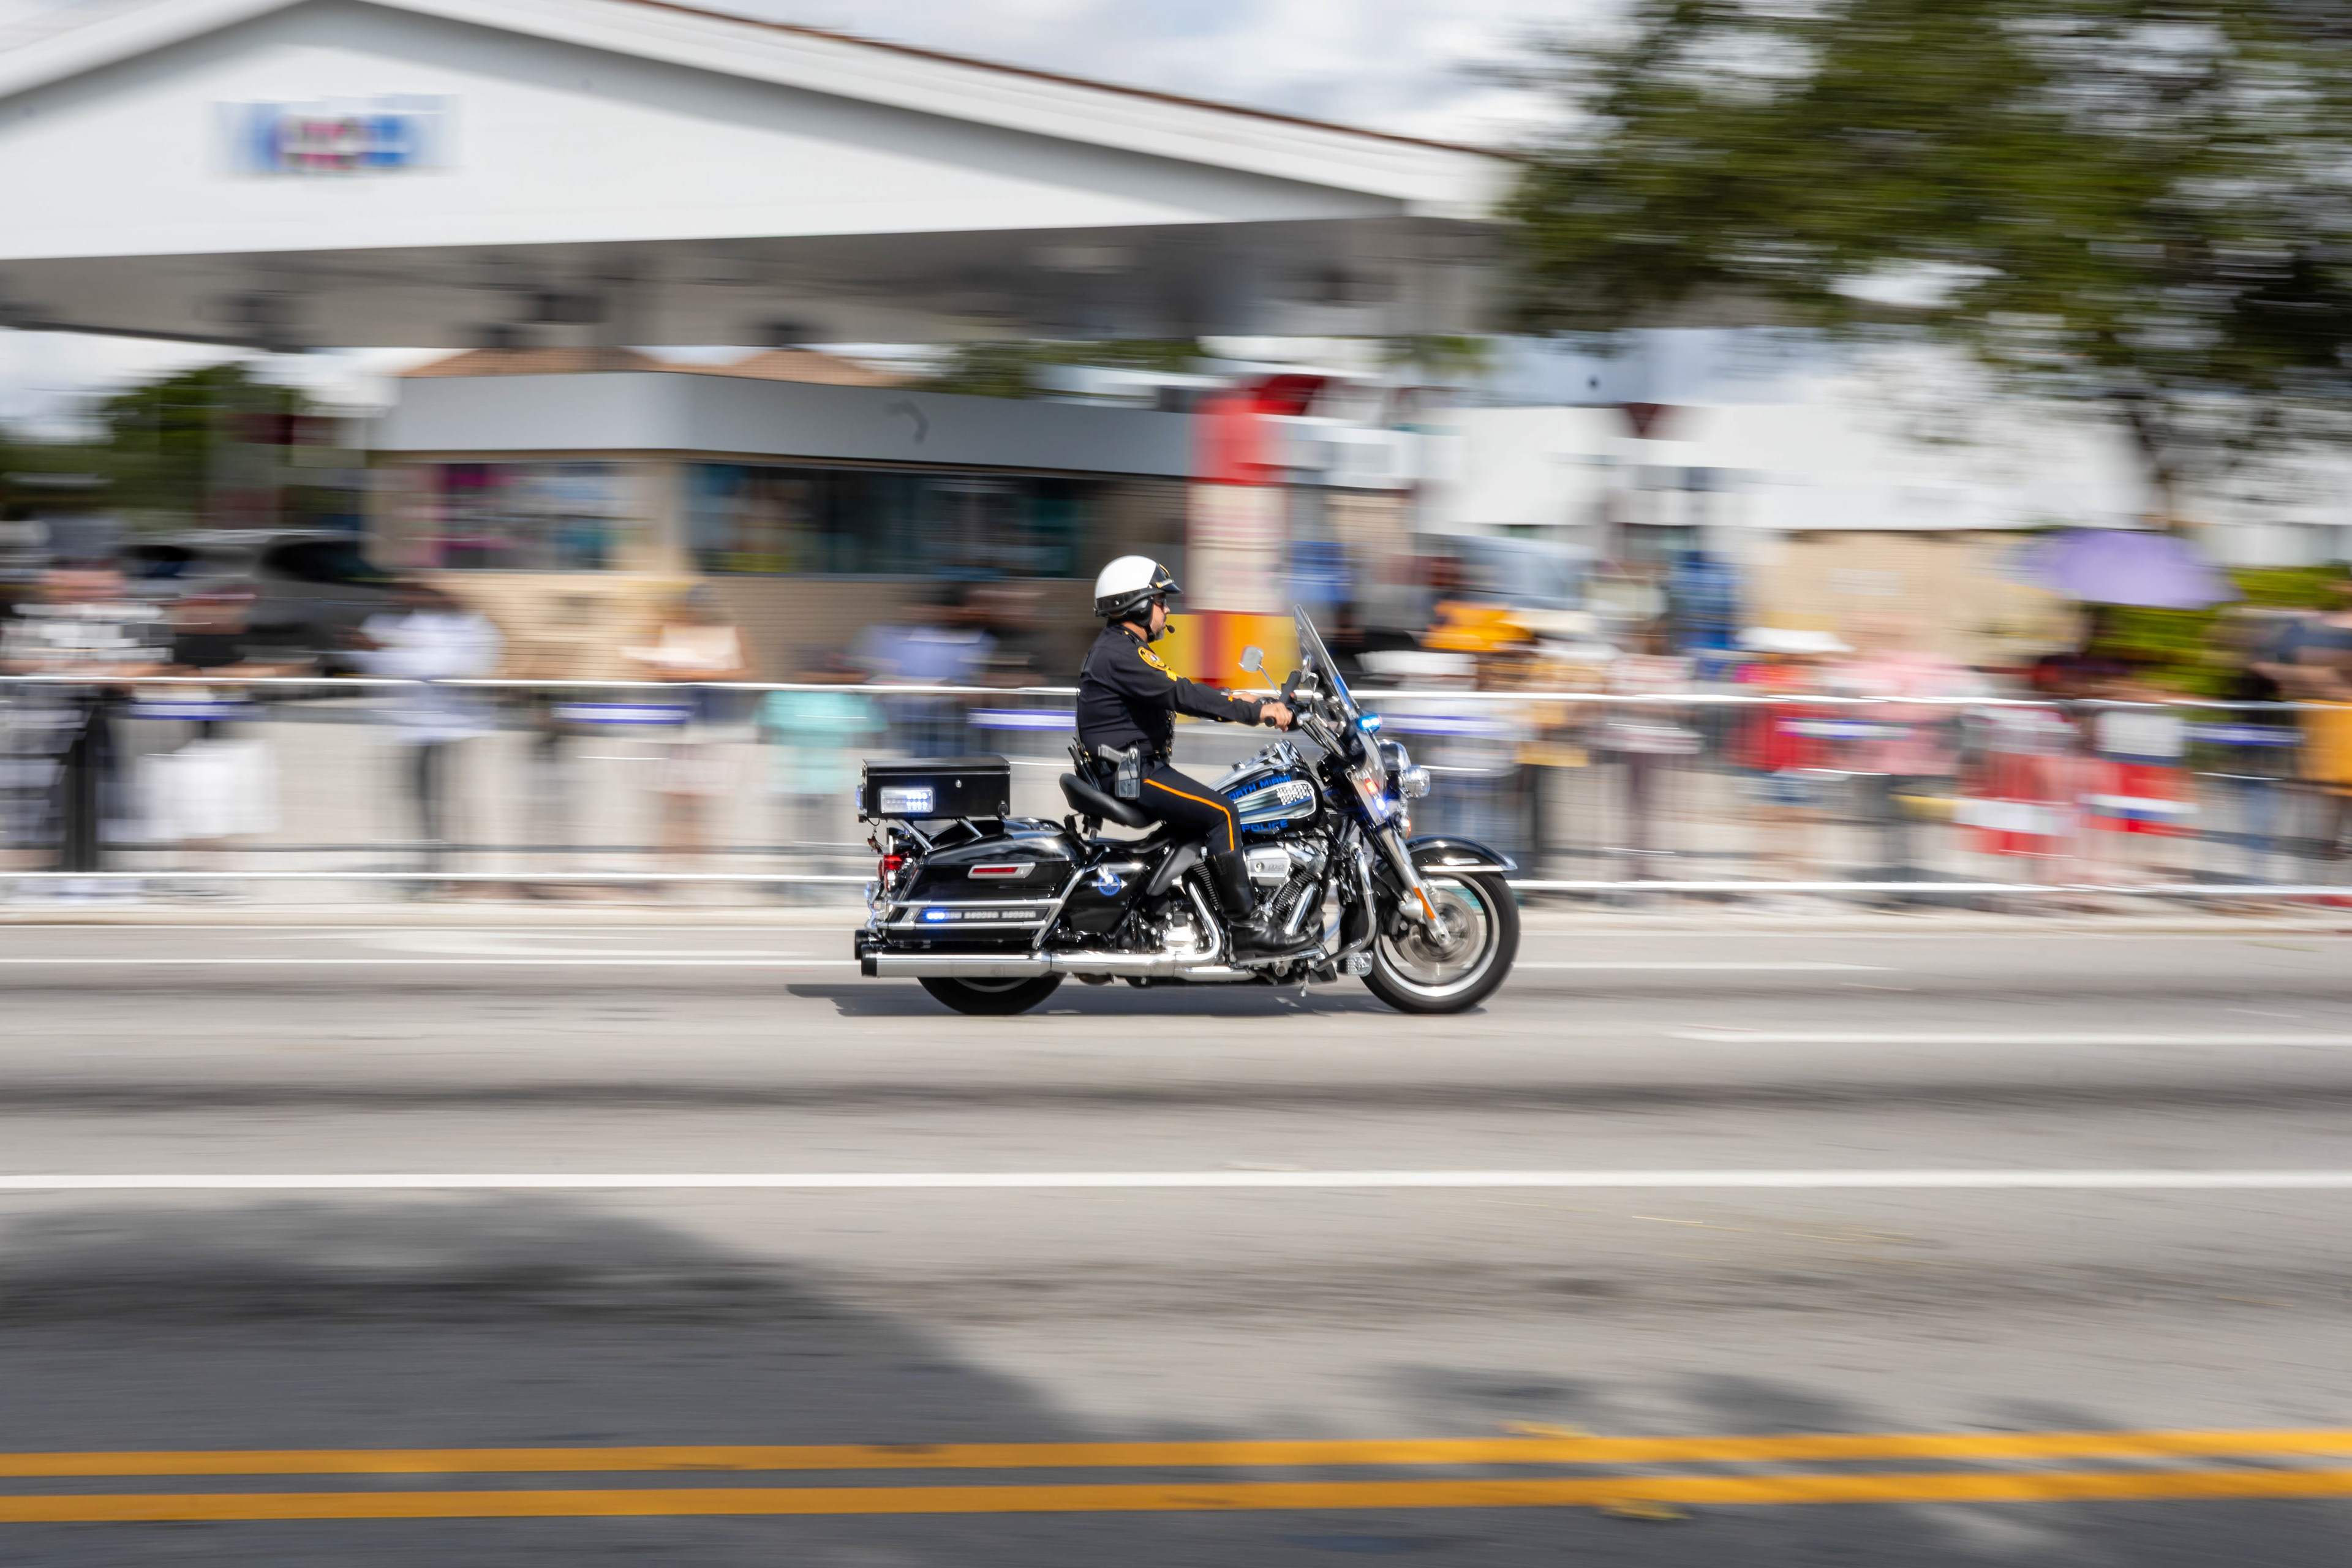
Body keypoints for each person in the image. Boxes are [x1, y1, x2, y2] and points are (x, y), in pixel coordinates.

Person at [1074, 556, 1294, 952]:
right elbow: (1182, 695)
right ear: (1137, 605)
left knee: (1211, 810)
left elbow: (1176, 686)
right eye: (1160, 601)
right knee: (1222, 812)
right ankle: (1245, 927)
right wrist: (1255, 712)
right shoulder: (1121, 655)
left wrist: (1242, 699)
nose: (1167, 609)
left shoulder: (1121, 650)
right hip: (1133, 774)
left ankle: (1165, 903)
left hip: (1134, 768)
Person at [345, 579, 503, 890]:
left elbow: (456, 665)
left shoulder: (469, 623)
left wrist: (387, 652)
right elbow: (371, 663)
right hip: (410, 725)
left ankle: (455, 871)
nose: (405, 597)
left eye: (415, 591)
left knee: (452, 798)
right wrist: (369, 650)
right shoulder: (388, 621)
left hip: (454, 726)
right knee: (418, 796)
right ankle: (430, 868)